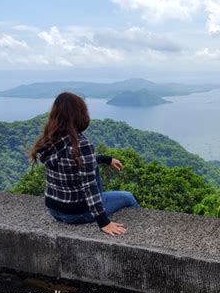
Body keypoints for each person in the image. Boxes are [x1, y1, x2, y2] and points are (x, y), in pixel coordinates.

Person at [30, 91, 140, 236]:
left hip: (53, 209)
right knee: (128, 197)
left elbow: (75, 163)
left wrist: (106, 159)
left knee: (95, 175)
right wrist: (104, 222)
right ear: (80, 114)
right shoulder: (82, 144)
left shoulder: (49, 140)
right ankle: (141, 228)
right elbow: (89, 186)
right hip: (77, 213)